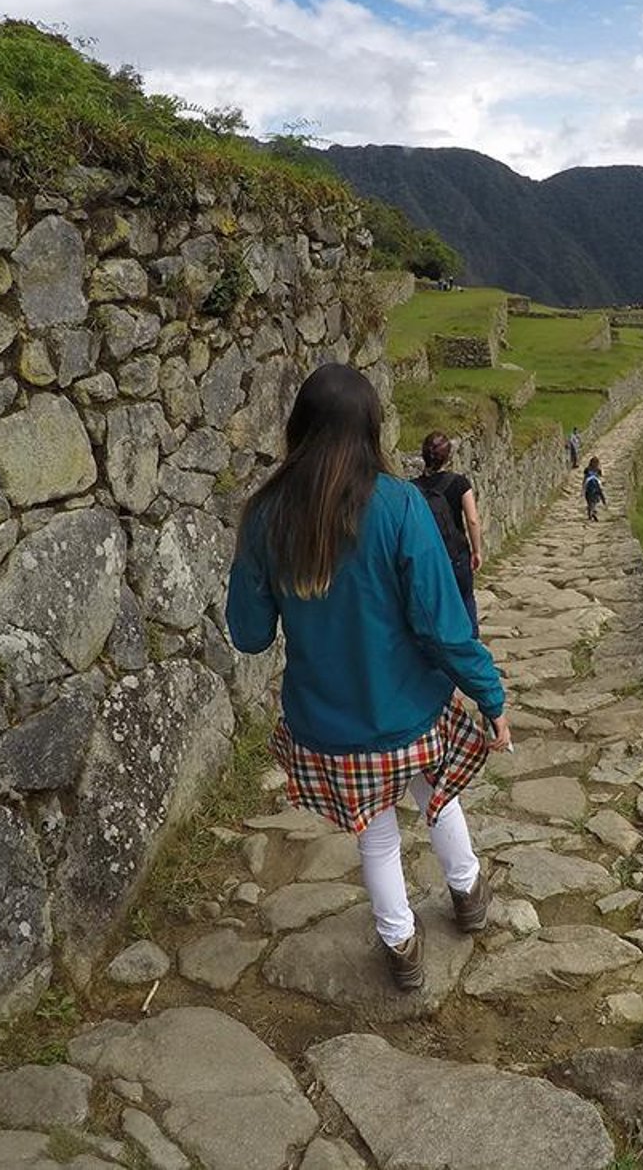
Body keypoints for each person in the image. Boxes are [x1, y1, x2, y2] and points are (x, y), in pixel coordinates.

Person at [225, 364, 510, 990]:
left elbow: (248, 634)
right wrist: (489, 695)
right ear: (372, 430)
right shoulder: (401, 505)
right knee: (438, 798)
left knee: (376, 838)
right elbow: (441, 625)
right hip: (409, 707)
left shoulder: (267, 515)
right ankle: (467, 896)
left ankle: (401, 945)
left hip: (329, 720)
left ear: (297, 427)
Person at [414, 430, 483, 632]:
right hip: (457, 555)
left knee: (435, 607)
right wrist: (476, 551)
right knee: (465, 598)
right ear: (448, 456)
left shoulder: (412, 488)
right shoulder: (459, 482)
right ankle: (471, 644)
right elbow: (472, 519)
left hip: (428, 558)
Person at [583, 455, 607, 521]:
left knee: (590, 501)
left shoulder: (587, 469)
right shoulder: (597, 470)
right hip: (595, 486)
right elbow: (600, 478)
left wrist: (583, 487)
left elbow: (585, 479)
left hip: (591, 486)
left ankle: (591, 513)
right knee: (593, 500)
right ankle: (593, 511)